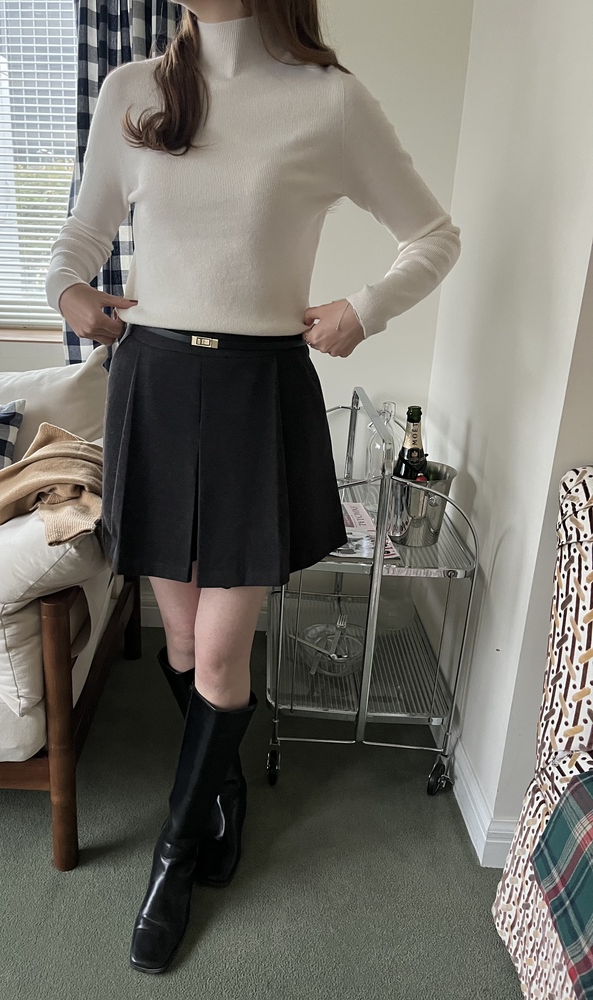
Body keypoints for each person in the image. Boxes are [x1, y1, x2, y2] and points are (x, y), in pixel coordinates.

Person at [45, 0, 461, 974]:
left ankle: (173, 857)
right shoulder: (132, 90)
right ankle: (223, 785)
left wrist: (365, 309)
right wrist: (70, 294)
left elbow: (434, 236)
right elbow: (80, 237)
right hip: (153, 381)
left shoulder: (329, 101)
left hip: (257, 389)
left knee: (223, 652)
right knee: (184, 642)